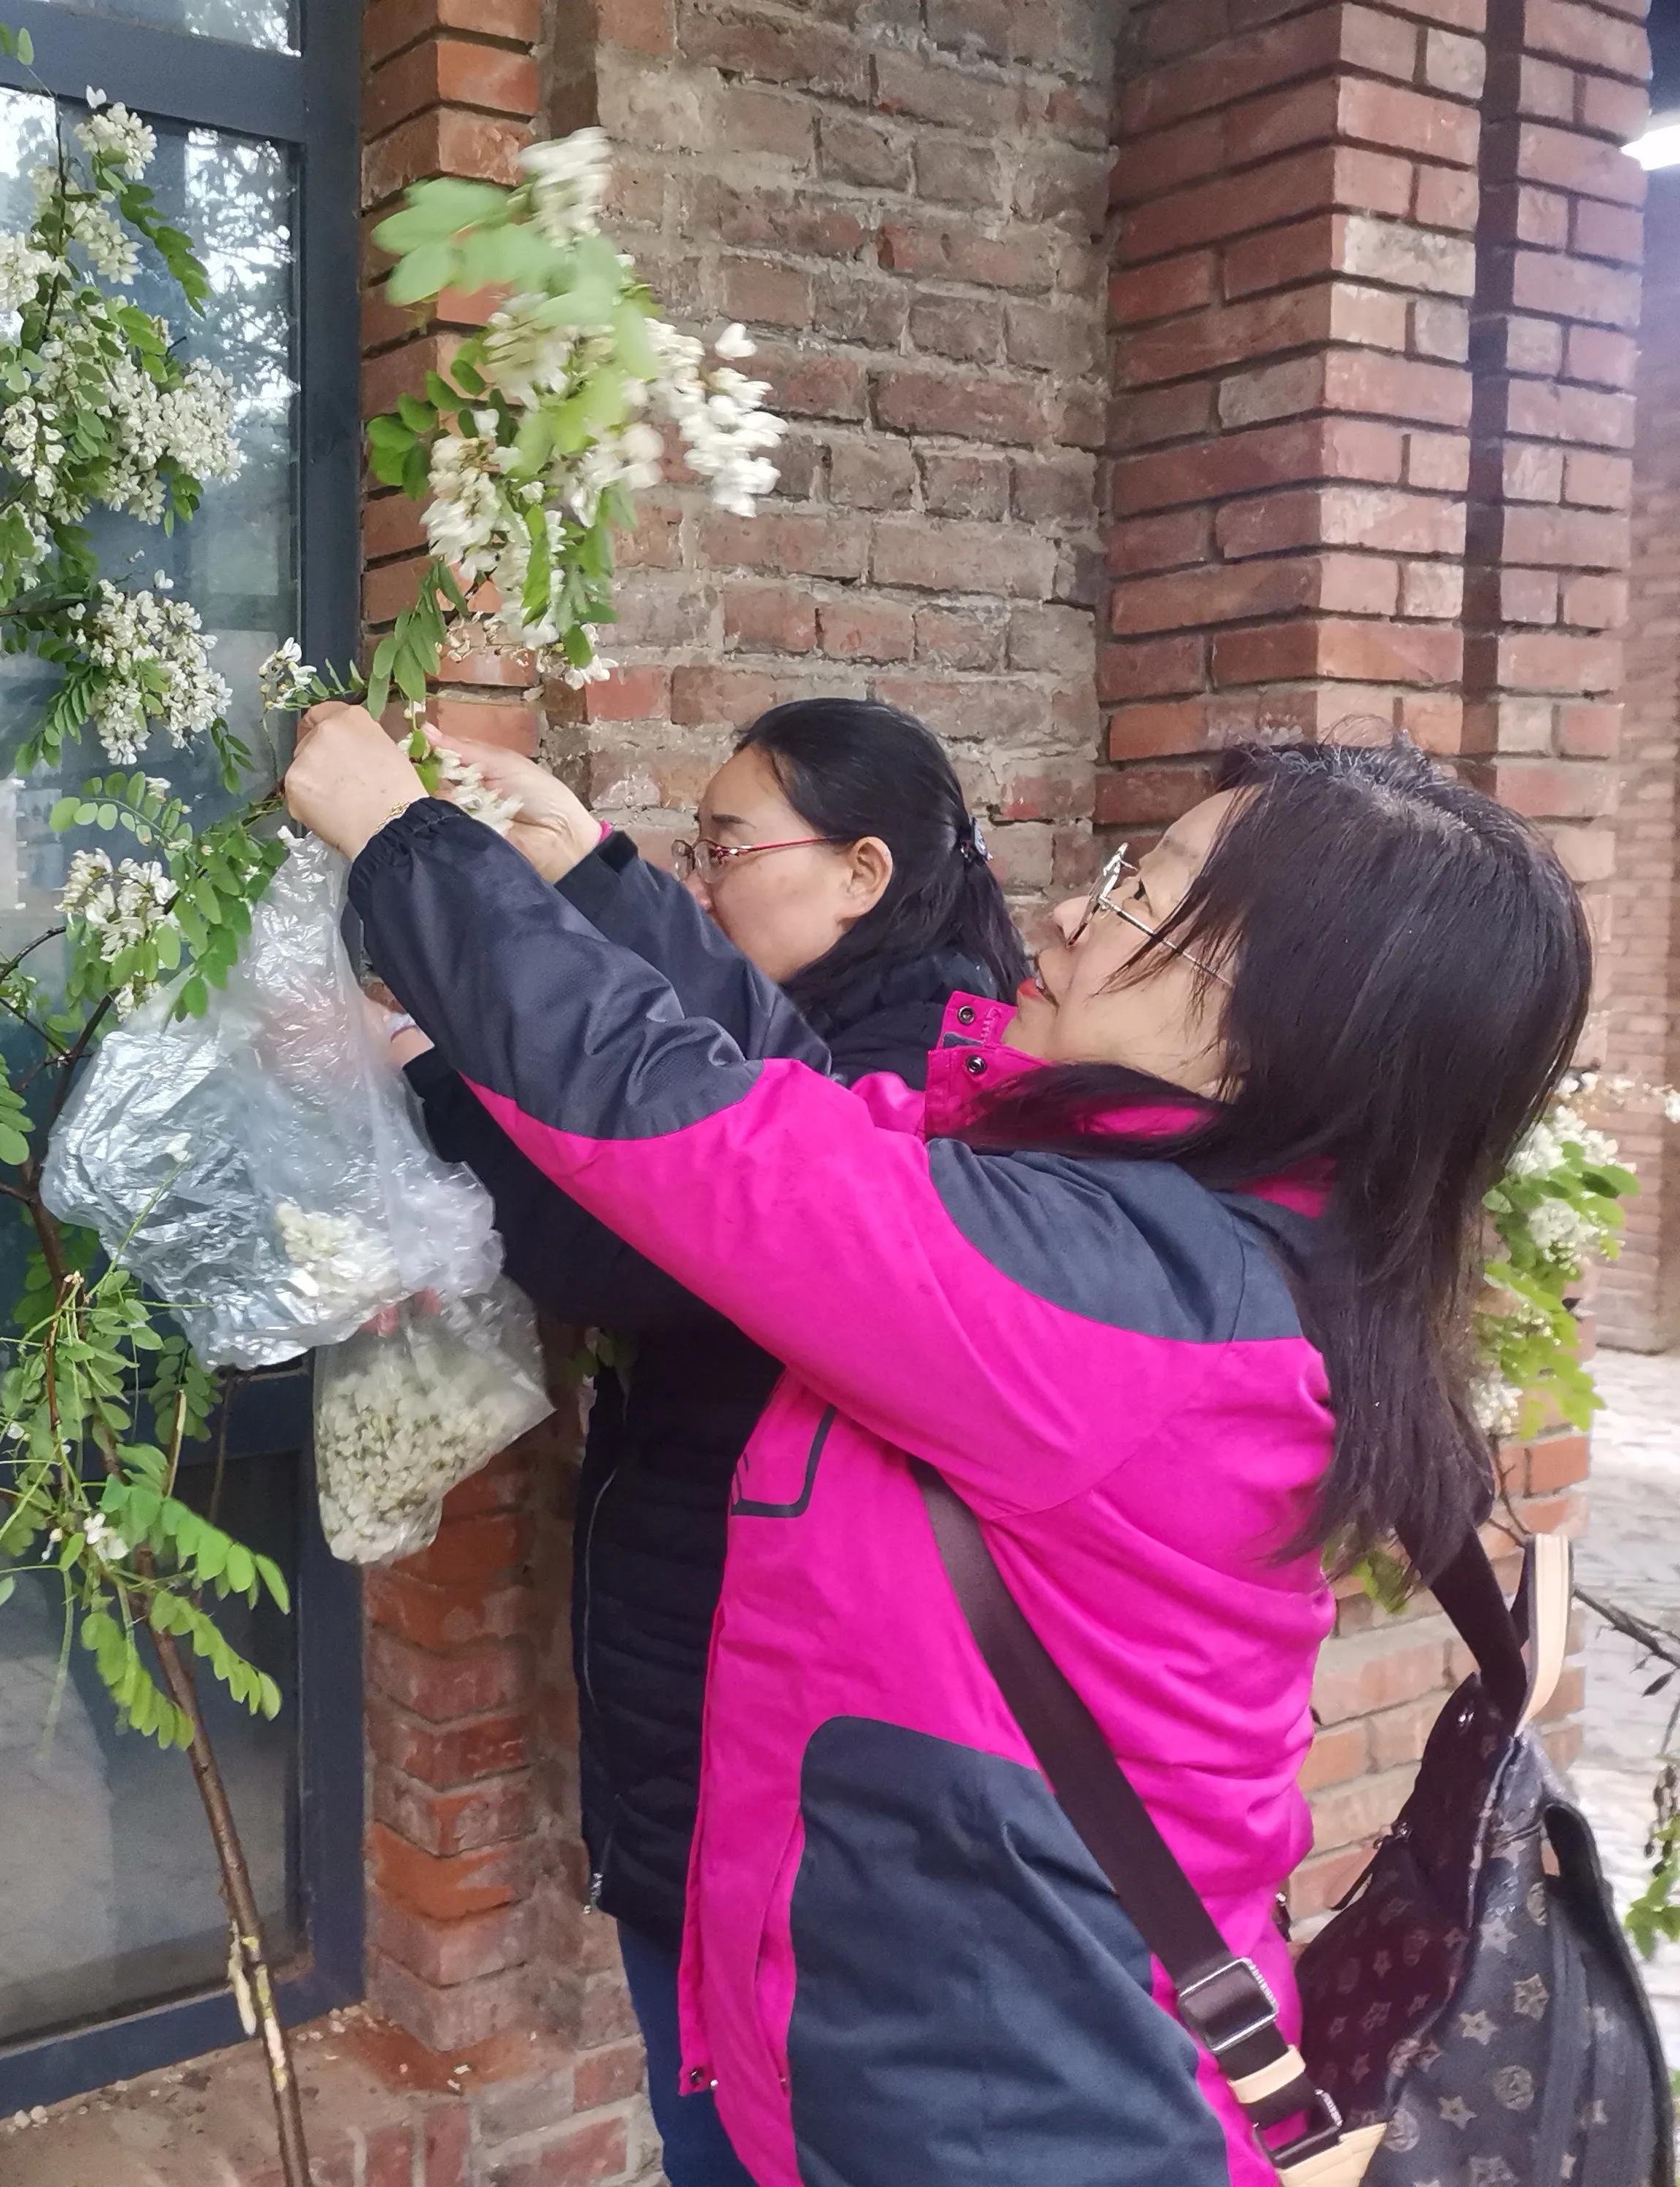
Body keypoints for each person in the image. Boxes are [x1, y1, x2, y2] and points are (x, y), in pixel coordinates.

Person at [288, 706, 1586, 2187]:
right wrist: (590, 878)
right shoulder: (1189, 1238)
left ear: (1274, 1034)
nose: (1063, 913)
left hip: (1006, 2116)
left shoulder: (1125, 1303)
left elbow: (708, 1139)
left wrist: (411, 848)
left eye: (1135, 902)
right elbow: (824, 1115)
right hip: (959, 2057)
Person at [390, 702, 1027, 2187]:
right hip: (742, 1712)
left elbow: (615, 1230)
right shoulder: (873, 1029)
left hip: (772, 1739)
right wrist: (583, 867)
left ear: (859, 871)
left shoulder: (908, 1079)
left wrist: (424, 1055)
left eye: (726, 847)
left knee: (744, 2136)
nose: (704, 884)